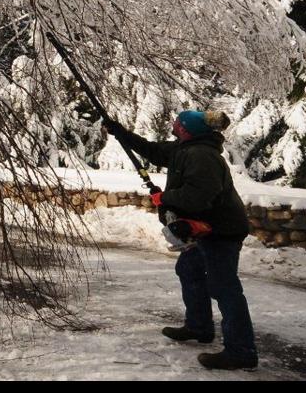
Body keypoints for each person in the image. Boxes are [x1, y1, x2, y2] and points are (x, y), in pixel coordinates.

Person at [103, 110, 259, 370]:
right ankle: (199, 327)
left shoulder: (201, 155)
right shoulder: (183, 148)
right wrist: (120, 132)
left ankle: (242, 352)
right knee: (189, 269)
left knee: (224, 287)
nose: (173, 123)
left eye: (177, 121)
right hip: (203, 229)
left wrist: (164, 198)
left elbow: (199, 196)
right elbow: (152, 150)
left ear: (185, 128)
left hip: (221, 230)